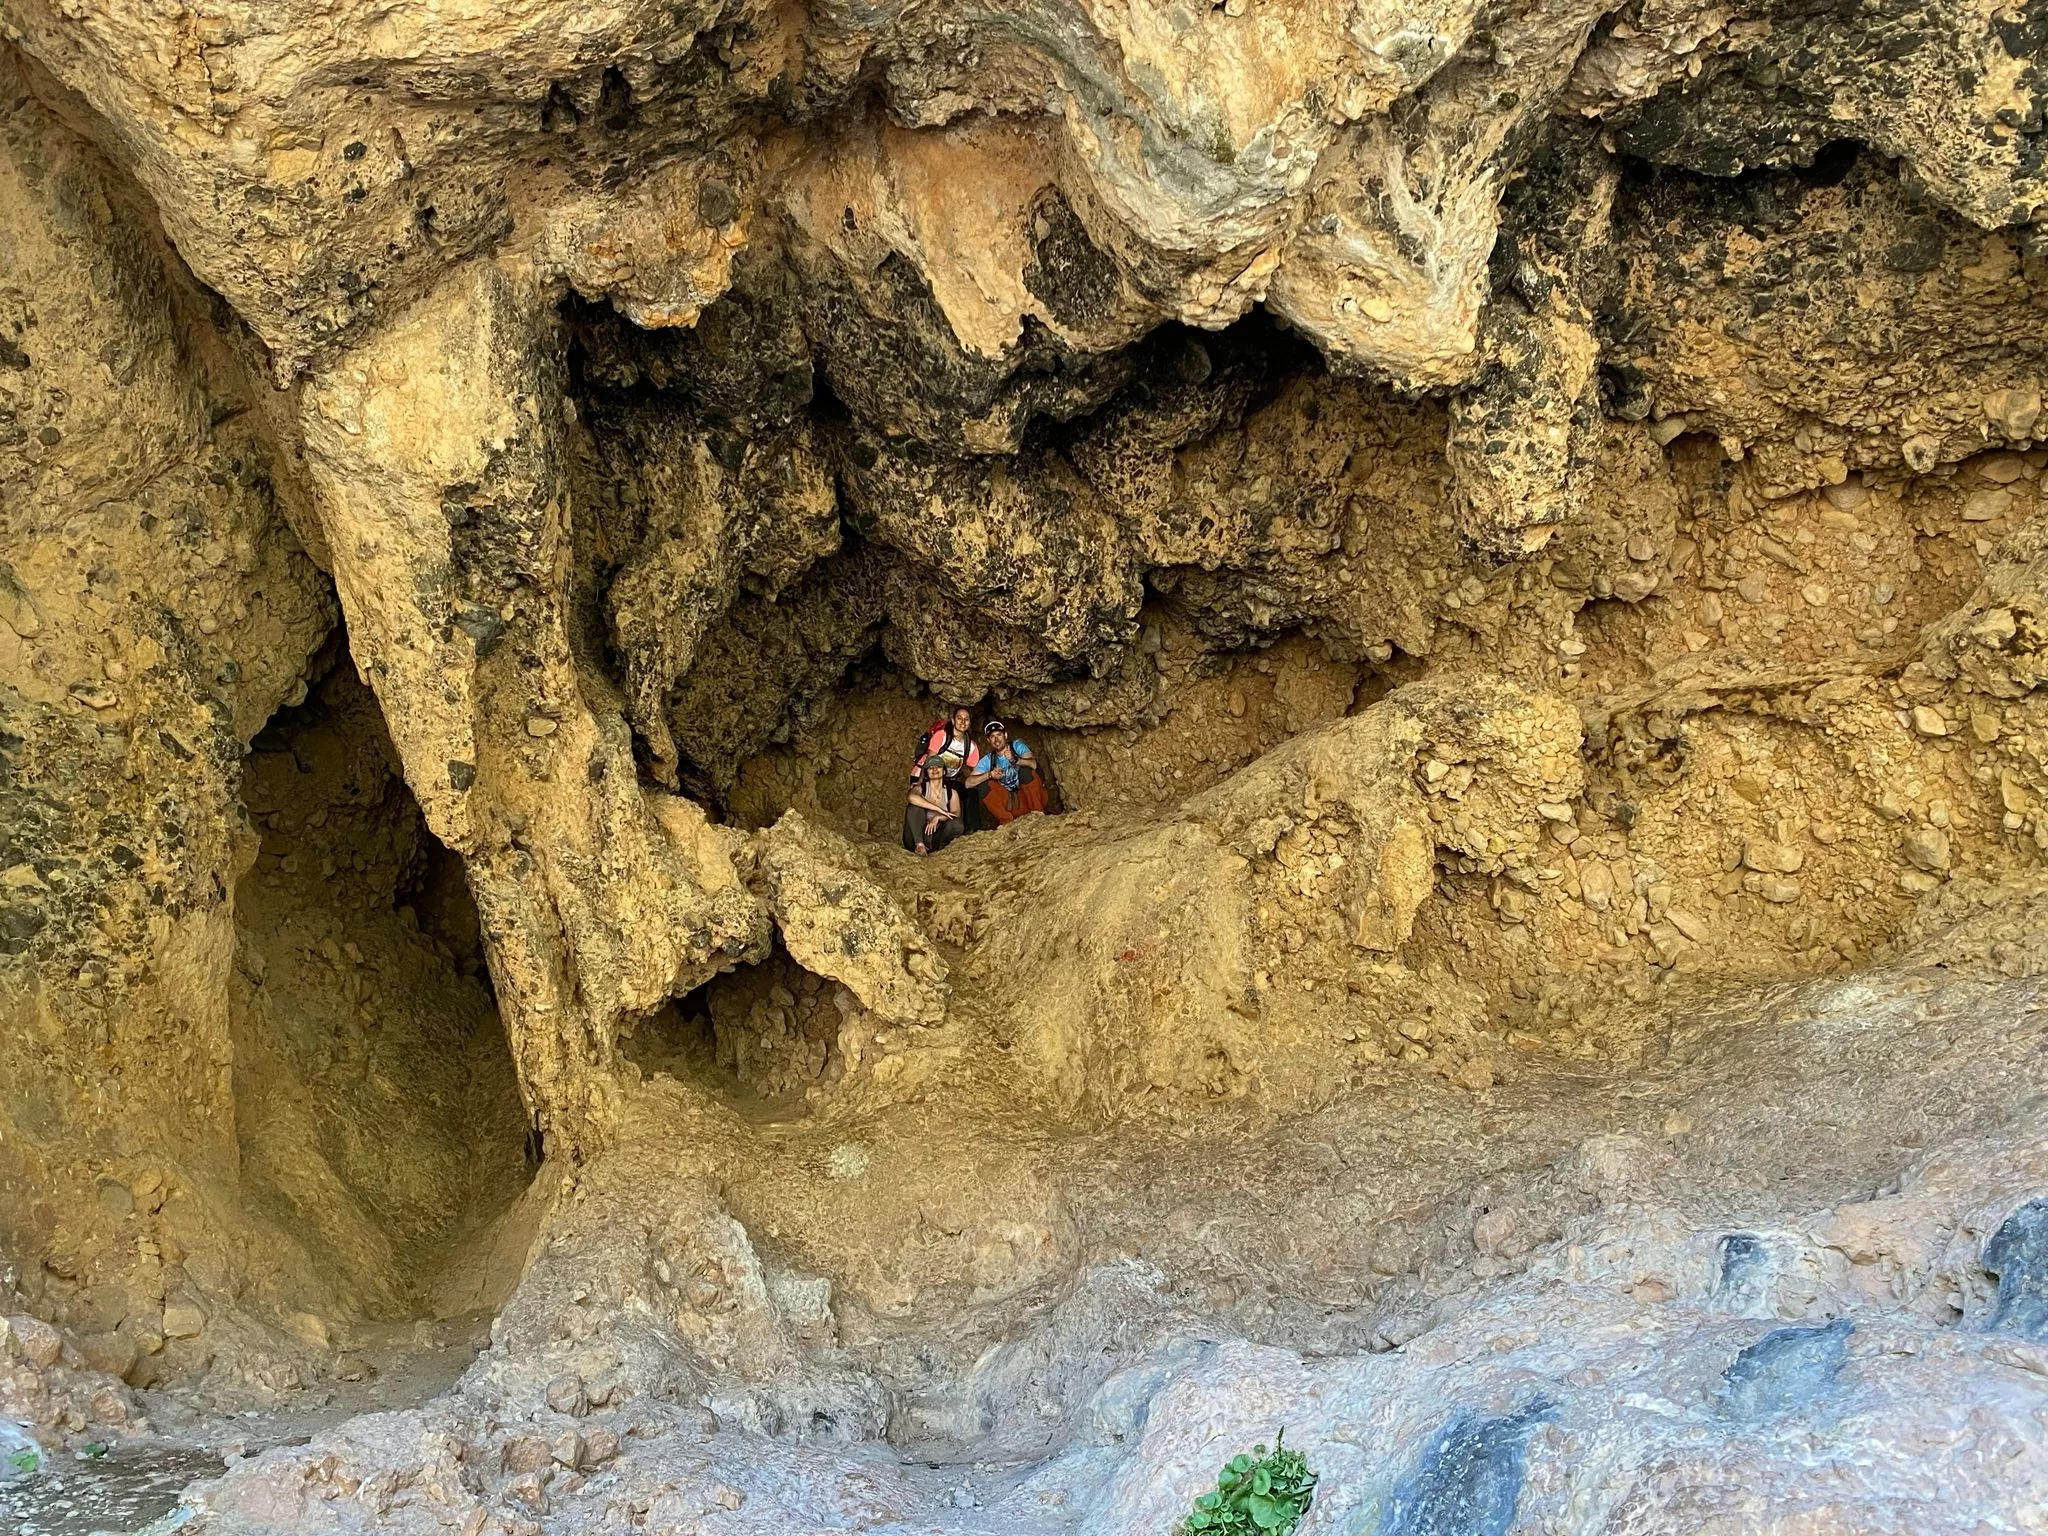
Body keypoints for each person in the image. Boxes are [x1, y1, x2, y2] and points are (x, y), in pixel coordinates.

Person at [967, 719, 1048, 826]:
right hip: (1012, 804)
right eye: (992, 737)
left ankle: (1037, 813)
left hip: (1031, 798)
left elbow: (1033, 764)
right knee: (983, 785)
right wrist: (990, 774)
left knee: (1025, 771)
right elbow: (968, 783)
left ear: (1005, 735)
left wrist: (1015, 760)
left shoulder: (1016, 746)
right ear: (988, 740)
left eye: (999, 735)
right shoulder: (988, 759)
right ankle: (1006, 821)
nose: (996, 739)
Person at [903, 756, 965, 854]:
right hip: (916, 837)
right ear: (926, 773)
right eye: (930, 768)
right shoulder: (920, 789)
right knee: (914, 807)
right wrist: (938, 809)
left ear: (944, 771)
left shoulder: (951, 793)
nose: (934, 769)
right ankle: (919, 846)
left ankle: (942, 850)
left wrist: (939, 817)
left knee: (956, 824)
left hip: (935, 837)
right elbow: (911, 797)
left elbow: (956, 813)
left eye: (938, 767)